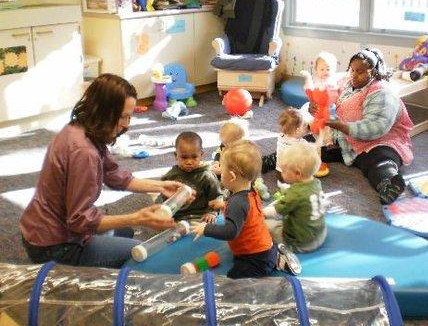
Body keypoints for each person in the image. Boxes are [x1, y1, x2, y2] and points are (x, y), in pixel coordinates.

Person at [19, 74, 194, 268]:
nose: (127, 124)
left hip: (39, 229)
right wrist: (139, 218)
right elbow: (79, 220)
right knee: (141, 252)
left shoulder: (81, 129)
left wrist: (161, 186)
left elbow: (114, 174)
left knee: (125, 232)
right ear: (103, 111)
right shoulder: (84, 152)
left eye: (129, 116)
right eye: (123, 117)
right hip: (54, 246)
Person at [310, 48, 414, 205]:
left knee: (378, 162)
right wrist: (316, 105)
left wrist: (343, 126)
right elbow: (327, 94)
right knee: (311, 144)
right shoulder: (347, 81)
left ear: (372, 72)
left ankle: (389, 183)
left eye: (359, 72)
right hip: (346, 140)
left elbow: (376, 126)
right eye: (351, 70)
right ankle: (280, 157)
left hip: (378, 141)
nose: (352, 75)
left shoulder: (383, 93)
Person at [192, 140, 301, 278]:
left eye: (221, 169)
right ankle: (276, 258)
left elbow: (231, 232)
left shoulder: (237, 202)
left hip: (255, 258)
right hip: (265, 246)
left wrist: (206, 229)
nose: (220, 173)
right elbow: (246, 212)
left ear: (231, 176)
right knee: (260, 254)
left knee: (233, 280)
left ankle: (273, 262)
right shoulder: (251, 191)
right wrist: (223, 205)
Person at [264, 142, 327, 253]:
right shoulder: (316, 183)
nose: (281, 173)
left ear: (297, 173)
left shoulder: (296, 194)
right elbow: (302, 196)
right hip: (320, 234)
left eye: (283, 170)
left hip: (301, 243)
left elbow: (276, 212)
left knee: (265, 224)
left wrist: (260, 212)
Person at [157, 132, 222, 223]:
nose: (189, 162)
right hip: (176, 217)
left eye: (194, 157)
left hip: (200, 215)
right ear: (176, 156)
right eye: (184, 157)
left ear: (201, 155)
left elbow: (217, 197)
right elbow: (163, 197)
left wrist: (212, 212)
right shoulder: (170, 176)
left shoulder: (207, 176)